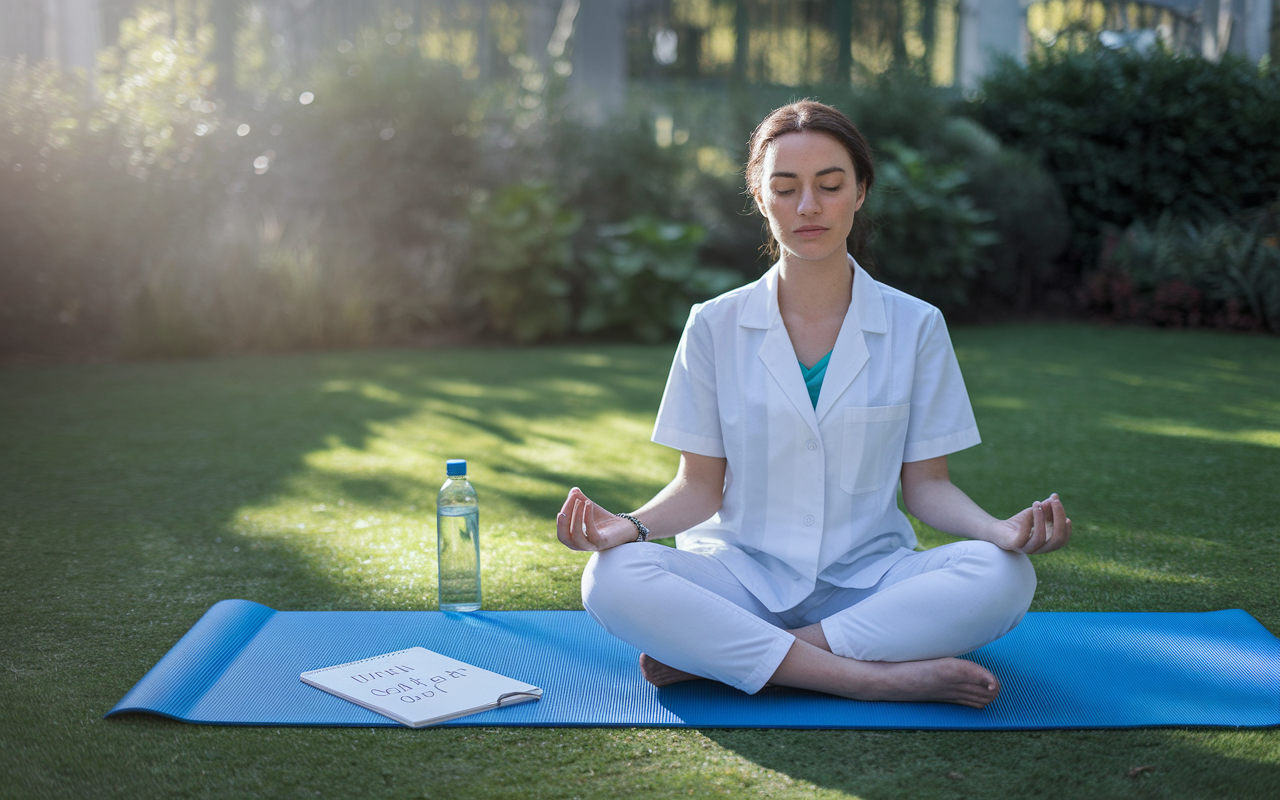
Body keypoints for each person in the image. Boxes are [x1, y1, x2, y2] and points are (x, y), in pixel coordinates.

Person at [556, 100, 1071, 709]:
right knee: (611, 576)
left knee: (1005, 576)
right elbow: (699, 489)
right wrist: (631, 527)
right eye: (786, 188)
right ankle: (870, 679)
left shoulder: (916, 325)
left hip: (868, 581)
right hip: (737, 577)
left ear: (859, 193)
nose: (808, 207)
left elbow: (927, 488)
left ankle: (727, 657)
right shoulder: (713, 325)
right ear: (760, 197)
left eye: (830, 186)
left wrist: (998, 531)